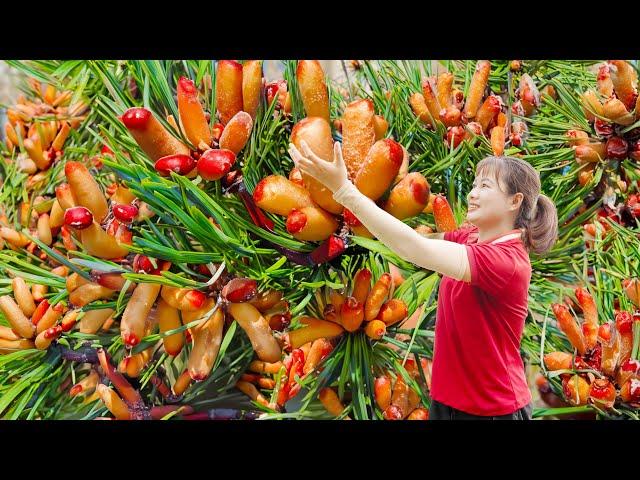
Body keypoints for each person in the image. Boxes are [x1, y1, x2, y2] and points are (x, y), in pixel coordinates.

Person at [289, 140, 558, 420]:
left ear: (515, 201)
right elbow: (405, 240)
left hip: (491, 410)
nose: (473, 194)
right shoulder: (472, 238)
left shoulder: (507, 262)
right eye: (475, 185)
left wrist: (345, 191)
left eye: (485, 187)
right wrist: (343, 236)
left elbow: (417, 248)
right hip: (448, 401)